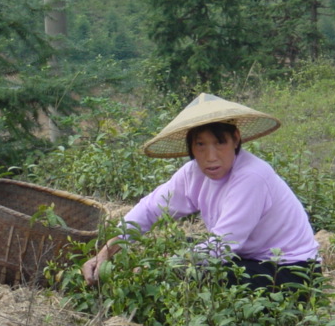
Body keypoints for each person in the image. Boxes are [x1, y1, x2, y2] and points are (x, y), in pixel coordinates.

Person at [81, 93, 320, 292]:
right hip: (248, 258)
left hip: (291, 270)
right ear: (191, 147)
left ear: (236, 139)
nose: (211, 156)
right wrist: (107, 251)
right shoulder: (192, 174)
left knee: (201, 275)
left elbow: (223, 245)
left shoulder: (251, 177)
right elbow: (150, 209)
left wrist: (159, 269)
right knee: (173, 247)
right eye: (201, 145)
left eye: (220, 143)